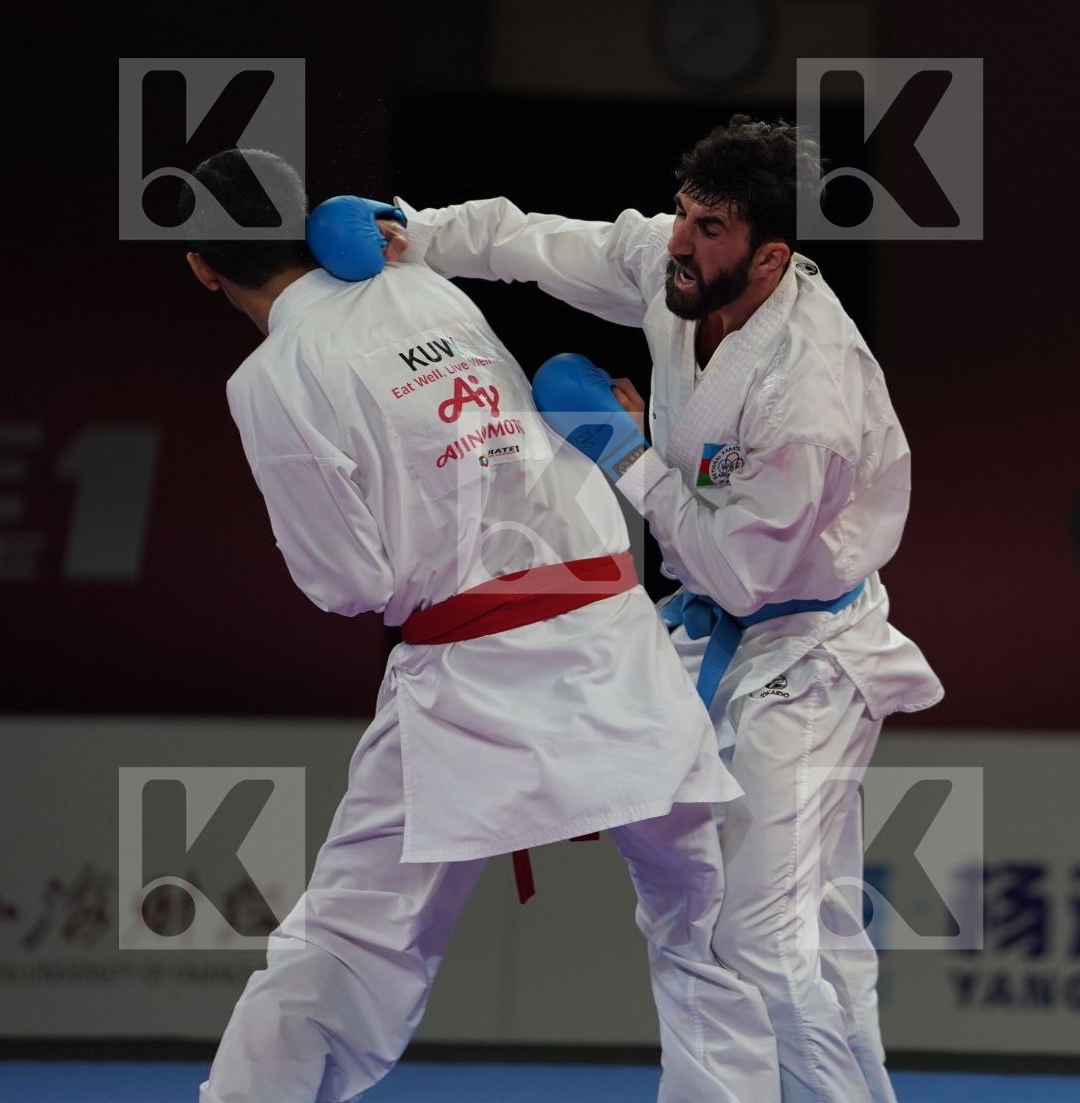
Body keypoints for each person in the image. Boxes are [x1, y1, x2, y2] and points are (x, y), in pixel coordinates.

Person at [315, 115, 943, 1103]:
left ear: (771, 254)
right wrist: (416, 231)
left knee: (761, 940)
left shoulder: (810, 394)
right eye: (684, 214)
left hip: (810, 648)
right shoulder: (672, 262)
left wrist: (624, 454)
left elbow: (744, 571)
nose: (680, 242)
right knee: (790, 927)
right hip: (713, 618)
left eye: (711, 230)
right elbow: (532, 242)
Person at [183, 148, 779, 1103]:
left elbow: (347, 581)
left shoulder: (272, 378)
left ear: (202, 267)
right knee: (700, 922)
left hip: (472, 676)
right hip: (614, 642)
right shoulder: (419, 283)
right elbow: (492, 249)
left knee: (349, 938)